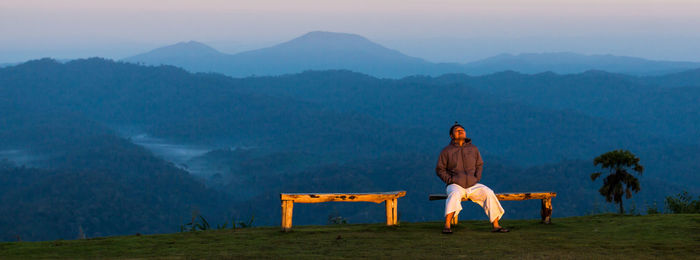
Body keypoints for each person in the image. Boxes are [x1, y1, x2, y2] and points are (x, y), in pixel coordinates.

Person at [435, 122, 509, 234]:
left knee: (488, 193)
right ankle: (447, 225)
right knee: (454, 194)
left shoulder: (473, 149)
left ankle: (496, 225)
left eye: (462, 130)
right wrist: (450, 180)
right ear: (451, 136)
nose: (461, 131)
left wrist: (476, 178)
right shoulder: (446, 151)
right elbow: (440, 169)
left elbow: (479, 164)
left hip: (473, 184)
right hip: (455, 184)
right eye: (457, 130)